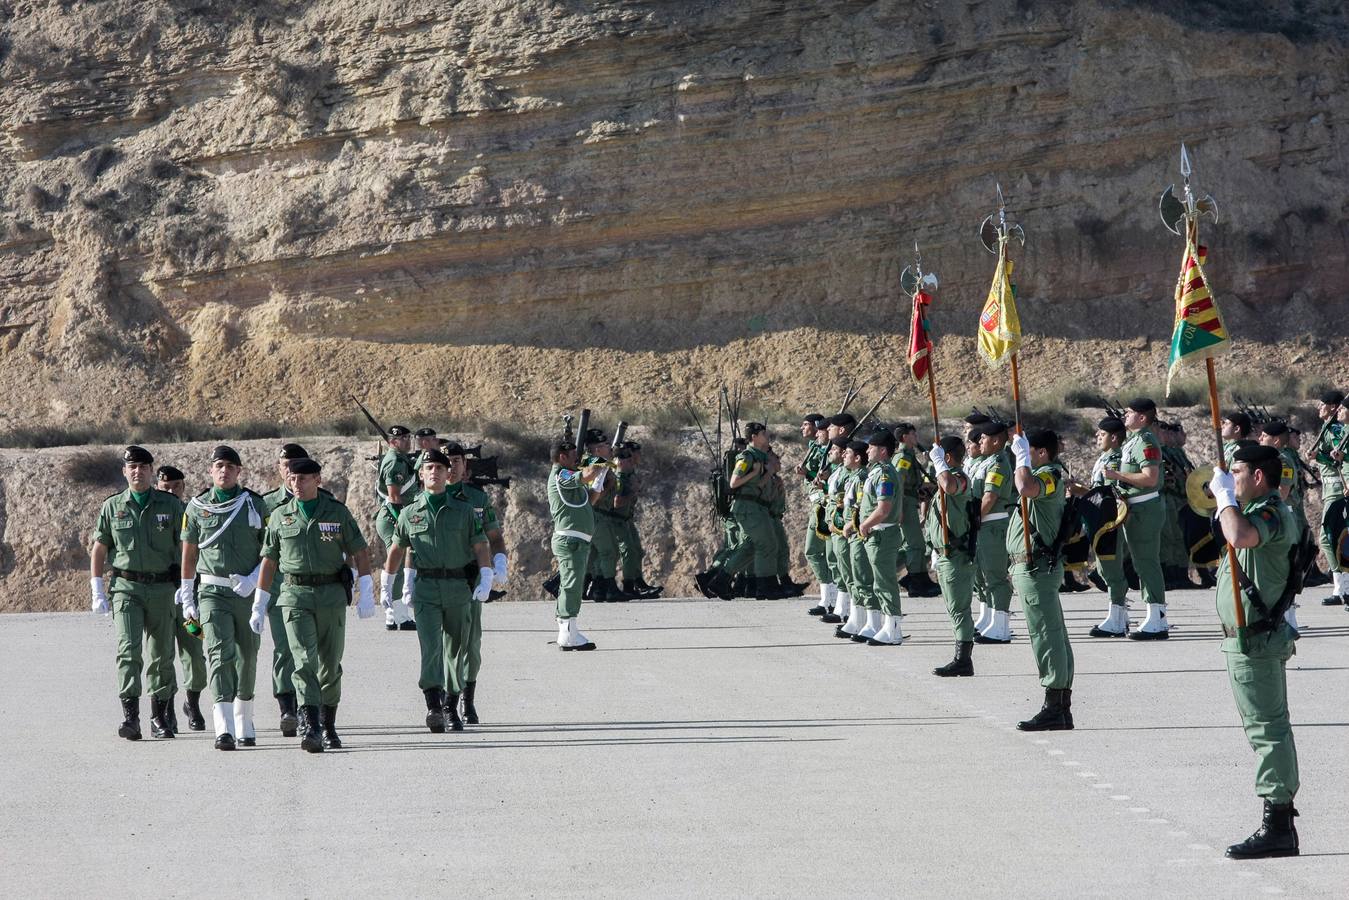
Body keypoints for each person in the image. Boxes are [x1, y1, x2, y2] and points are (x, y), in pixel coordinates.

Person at [1208, 445, 1301, 858]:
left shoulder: (1271, 513)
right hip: (1248, 637)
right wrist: (1226, 499)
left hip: (1257, 638)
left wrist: (1226, 498)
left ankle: (1278, 823)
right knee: (1264, 727)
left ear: (1259, 477)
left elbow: (1240, 535)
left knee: (1267, 730)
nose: (1233, 477)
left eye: (1238, 471)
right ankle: (1278, 819)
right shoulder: (1259, 509)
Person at [253, 457, 375, 753]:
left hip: (331, 595)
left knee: (330, 664)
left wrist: (367, 589)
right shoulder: (281, 516)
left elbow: (359, 550)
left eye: (303, 478)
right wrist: (260, 600)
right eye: (292, 479)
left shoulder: (337, 512)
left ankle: (329, 724)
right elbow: (269, 559)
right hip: (294, 596)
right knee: (303, 662)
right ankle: (311, 725)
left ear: (317, 479)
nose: (296, 484)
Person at [382, 447, 493, 733]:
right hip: (427, 589)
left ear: (448, 475)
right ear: (421, 474)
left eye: (440, 469)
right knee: (430, 649)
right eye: (429, 468)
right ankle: (433, 706)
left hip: (458, 588)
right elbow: (398, 548)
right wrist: (388, 582)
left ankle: (451, 704)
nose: (435, 473)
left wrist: (487, 573)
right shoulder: (409, 513)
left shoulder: (465, 511)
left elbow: (481, 545)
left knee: (456, 650)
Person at [90, 446, 185, 740]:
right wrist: (96, 588)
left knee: (161, 655)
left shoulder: (170, 505)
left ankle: (160, 717)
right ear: (124, 471)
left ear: (151, 471)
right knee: (128, 651)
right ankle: (131, 718)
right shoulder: (112, 506)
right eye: (132, 467)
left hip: (162, 589)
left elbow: (186, 546)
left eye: (143, 467)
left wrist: (187, 583)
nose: (137, 471)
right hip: (126, 589)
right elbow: (100, 547)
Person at [178, 445, 267, 749]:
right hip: (212, 592)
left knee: (248, 656)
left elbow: (270, 552)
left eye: (230, 466)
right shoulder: (197, 507)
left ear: (239, 471)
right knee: (218, 653)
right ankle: (224, 726)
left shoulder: (255, 505)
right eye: (219, 466)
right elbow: (189, 556)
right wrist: (188, 597)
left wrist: (254, 580)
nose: (224, 471)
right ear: (211, 471)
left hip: (247, 592)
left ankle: (244, 718)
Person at [1008, 430, 1076, 731]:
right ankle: (1060, 707)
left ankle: (1054, 704)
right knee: (1051, 633)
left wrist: (1020, 459)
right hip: (1032, 568)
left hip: (1037, 569)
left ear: (1042, 453)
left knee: (1046, 636)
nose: (1025, 456)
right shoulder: (1045, 473)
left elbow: (1025, 487)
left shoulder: (1049, 475)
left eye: (1030, 451)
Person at [259, 443, 323, 737]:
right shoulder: (266, 504)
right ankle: (287, 706)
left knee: (314, 652)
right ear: (279, 468)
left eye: (295, 464)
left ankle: (311, 704)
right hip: (279, 588)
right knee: (285, 648)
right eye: (285, 465)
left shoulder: (323, 501)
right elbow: (261, 549)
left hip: (316, 589)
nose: (290, 470)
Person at [443, 441, 508, 723]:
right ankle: (445, 701)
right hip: (439, 579)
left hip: (470, 578)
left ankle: (466, 701)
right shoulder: (425, 500)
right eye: (447, 461)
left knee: (471, 643)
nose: (452, 466)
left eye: (457, 460)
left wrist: (500, 561)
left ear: (465, 466)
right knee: (445, 644)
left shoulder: (477, 499)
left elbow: (494, 537)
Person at [1104, 398, 1168, 639]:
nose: (1125, 416)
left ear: (1142, 417)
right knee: (1141, 562)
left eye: (1130, 413)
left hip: (1145, 508)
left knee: (1146, 562)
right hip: (1134, 508)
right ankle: (1153, 614)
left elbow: (1150, 478)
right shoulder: (1134, 441)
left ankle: (1157, 618)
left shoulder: (1146, 441)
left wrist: (1116, 474)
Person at [155, 463, 206, 732]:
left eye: (176, 486)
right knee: (162, 655)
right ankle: (167, 709)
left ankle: (193, 703)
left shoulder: (194, 513)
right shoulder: (154, 516)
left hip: (189, 601)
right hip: (163, 598)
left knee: (195, 653)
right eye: (166, 487)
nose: (172, 491)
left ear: (184, 487)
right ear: (158, 487)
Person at [927, 436, 978, 676]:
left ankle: (963, 660)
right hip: (945, 555)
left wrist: (939, 464)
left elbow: (948, 485)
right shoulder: (946, 478)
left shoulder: (960, 478)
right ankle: (961, 657)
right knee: (953, 608)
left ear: (947, 458)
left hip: (956, 555)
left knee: (959, 608)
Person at [1076, 416, 1130, 636]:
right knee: (1106, 569)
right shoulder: (1105, 458)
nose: (1097, 437)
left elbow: (1110, 495)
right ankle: (1120, 617)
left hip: (1109, 521)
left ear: (1114, 437)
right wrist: (1080, 491)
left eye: (1102, 434)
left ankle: (1116, 621)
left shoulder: (1115, 459)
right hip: (1101, 518)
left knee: (1111, 570)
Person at [548, 439, 601, 650]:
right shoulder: (562, 475)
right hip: (570, 540)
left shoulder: (569, 480)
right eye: (573, 456)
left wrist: (599, 479)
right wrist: (598, 464)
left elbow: (590, 500)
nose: (577, 460)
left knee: (571, 583)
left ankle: (568, 629)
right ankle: (568, 634)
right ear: (562, 457)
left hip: (576, 540)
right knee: (572, 585)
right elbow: (586, 474)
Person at [858, 430, 905, 645]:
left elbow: (884, 508)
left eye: (871, 447)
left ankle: (893, 629)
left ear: (883, 450)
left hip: (882, 533)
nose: (867, 450)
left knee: (885, 582)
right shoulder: (877, 472)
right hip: (879, 533)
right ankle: (886, 626)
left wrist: (865, 524)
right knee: (879, 581)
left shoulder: (885, 473)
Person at [973, 421, 1016, 644]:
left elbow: (990, 497)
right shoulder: (987, 462)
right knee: (986, 576)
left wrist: (974, 519)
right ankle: (991, 619)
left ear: (997, 441)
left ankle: (1001, 627)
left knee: (996, 577)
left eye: (984, 438)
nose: (980, 441)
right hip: (985, 525)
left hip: (993, 525)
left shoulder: (998, 463)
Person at [375, 424, 418, 631]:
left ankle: (394, 616)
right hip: (394, 517)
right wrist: (404, 522)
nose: (408, 441)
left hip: (398, 515)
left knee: (399, 564)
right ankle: (397, 616)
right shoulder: (393, 462)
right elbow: (394, 496)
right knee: (397, 564)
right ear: (392, 441)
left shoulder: (399, 459)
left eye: (408, 437)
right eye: (403, 438)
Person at [1307, 391, 1346, 603]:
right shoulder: (1327, 428)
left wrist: (1319, 456)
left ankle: (1342, 587)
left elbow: (1340, 458)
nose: (1318, 408)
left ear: (1333, 407)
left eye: (1322, 404)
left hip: (1338, 488)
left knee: (1329, 536)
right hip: (1330, 489)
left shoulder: (1336, 429)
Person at [894, 423, 940, 598]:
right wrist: (898, 508)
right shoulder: (904, 457)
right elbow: (898, 482)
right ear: (904, 437)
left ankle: (920, 578)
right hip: (905, 502)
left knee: (917, 544)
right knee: (915, 545)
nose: (916, 437)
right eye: (913, 434)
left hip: (908, 500)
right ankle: (915, 581)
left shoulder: (909, 455)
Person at [798, 414, 835, 615]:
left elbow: (831, 481)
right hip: (816, 505)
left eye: (807, 425)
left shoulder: (832, 452)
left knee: (830, 555)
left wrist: (809, 475)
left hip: (826, 504)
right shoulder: (815, 448)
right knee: (813, 551)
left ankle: (833, 599)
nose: (803, 428)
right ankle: (827, 597)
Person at [615, 440, 662, 599]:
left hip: (627, 518)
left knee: (636, 551)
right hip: (618, 519)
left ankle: (638, 582)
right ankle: (629, 585)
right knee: (628, 552)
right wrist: (633, 492)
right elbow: (617, 501)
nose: (639, 457)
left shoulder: (630, 472)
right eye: (636, 453)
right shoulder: (621, 474)